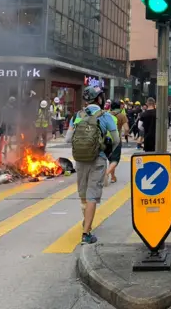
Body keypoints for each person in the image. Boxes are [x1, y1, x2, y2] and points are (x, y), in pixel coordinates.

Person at [65, 85, 119, 245]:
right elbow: (116, 140)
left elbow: (67, 139)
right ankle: (86, 233)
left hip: (80, 159)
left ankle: (85, 221)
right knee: (92, 195)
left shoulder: (77, 116)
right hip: (98, 158)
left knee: (83, 193)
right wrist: (106, 144)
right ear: (99, 99)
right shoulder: (105, 116)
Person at [105, 101, 128, 183]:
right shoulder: (122, 116)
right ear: (120, 107)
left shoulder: (107, 115)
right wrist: (125, 135)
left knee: (111, 159)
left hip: (106, 140)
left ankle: (113, 177)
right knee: (115, 160)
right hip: (116, 140)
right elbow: (126, 129)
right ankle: (106, 174)